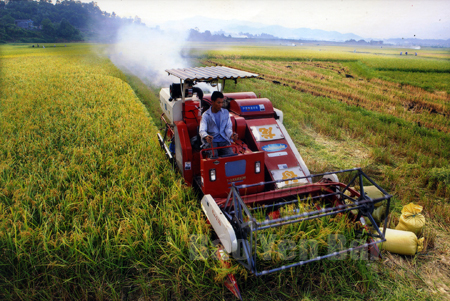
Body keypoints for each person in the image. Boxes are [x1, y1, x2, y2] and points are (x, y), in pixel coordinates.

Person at [199, 91, 238, 157]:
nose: (220, 105)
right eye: (218, 103)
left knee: (231, 157)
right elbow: (202, 130)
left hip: (224, 140)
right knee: (214, 157)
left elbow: (228, 127)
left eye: (222, 102)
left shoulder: (225, 112)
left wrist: (231, 134)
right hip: (212, 141)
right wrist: (206, 136)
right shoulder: (206, 115)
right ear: (213, 102)